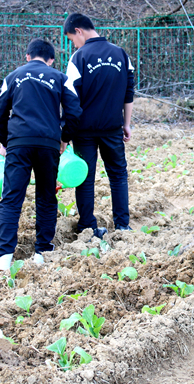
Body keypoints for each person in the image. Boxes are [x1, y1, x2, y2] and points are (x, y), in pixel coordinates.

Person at [0, 38, 82, 271]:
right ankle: (42, 251)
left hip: (19, 143)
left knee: (11, 197)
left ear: (27, 57)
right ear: (51, 60)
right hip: (48, 144)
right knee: (46, 196)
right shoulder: (61, 78)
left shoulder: (12, 77)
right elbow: (74, 113)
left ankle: (3, 256)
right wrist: (64, 138)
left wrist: (7, 141)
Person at [63, 13, 135, 239]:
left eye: (71, 39)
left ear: (79, 31)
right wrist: (127, 124)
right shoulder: (121, 55)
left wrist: (67, 132)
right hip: (113, 128)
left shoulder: (78, 58)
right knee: (118, 175)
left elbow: (70, 98)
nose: (73, 44)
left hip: (84, 131)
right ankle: (123, 225)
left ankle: (87, 227)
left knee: (85, 177)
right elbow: (128, 93)